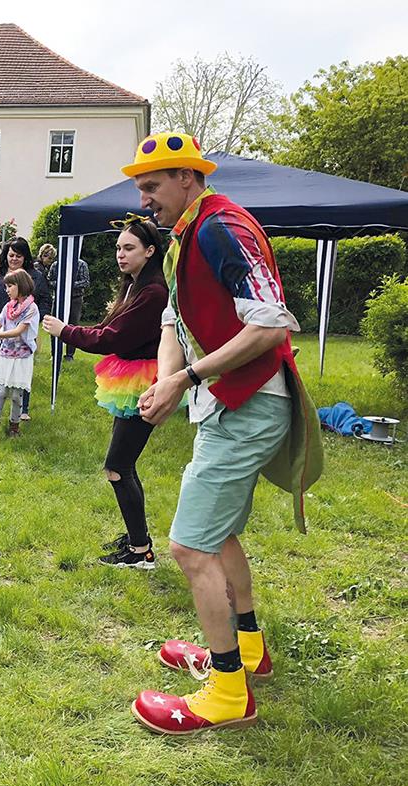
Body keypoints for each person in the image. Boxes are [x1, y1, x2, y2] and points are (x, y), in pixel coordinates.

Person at [120, 132, 323, 735]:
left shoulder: (221, 228)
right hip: (227, 403)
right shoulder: (187, 232)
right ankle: (249, 650)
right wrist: (165, 378)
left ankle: (227, 692)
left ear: (189, 177)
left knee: (191, 546)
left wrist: (186, 377)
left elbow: (269, 326)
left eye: (152, 185)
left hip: (248, 404)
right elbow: (171, 318)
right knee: (220, 532)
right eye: (141, 186)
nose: (145, 197)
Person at [43, 217, 168, 569]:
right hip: (133, 379)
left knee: (117, 468)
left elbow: (113, 338)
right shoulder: (135, 286)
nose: (120, 255)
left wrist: (66, 331)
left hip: (144, 382)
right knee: (124, 465)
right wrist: (76, 330)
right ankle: (137, 540)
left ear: (150, 250)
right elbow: (108, 328)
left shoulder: (153, 292)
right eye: (118, 248)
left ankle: (141, 552)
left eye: (129, 248)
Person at [0, 238, 50, 421]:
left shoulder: (35, 276)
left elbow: (45, 300)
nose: (14, 259)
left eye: (18, 255)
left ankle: (22, 410)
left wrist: (34, 321)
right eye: (11, 255)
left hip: (21, 339)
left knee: (21, 376)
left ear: (25, 257)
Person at [0, 269, 40, 440]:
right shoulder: (8, 306)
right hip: (6, 355)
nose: (6, 289)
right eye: (6, 286)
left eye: (10, 286)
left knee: (16, 395)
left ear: (21, 285)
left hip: (22, 357)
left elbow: (18, 331)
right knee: (1, 392)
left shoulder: (32, 308)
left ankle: (14, 428)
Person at [64, 258, 91, 361]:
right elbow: (50, 280)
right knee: (56, 322)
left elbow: (86, 282)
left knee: (73, 324)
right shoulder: (57, 264)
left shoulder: (81, 264)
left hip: (75, 298)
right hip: (60, 298)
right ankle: (54, 353)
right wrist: (61, 285)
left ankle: (70, 354)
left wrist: (69, 285)